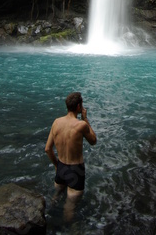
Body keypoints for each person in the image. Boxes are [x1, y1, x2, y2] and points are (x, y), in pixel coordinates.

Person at [45, 92, 97, 221]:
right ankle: (67, 229)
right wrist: (85, 118)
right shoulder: (81, 125)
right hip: (75, 170)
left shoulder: (56, 122)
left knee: (56, 197)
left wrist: (57, 166)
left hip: (61, 168)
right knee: (70, 207)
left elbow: (47, 149)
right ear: (79, 107)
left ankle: (47, 220)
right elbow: (93, 141)